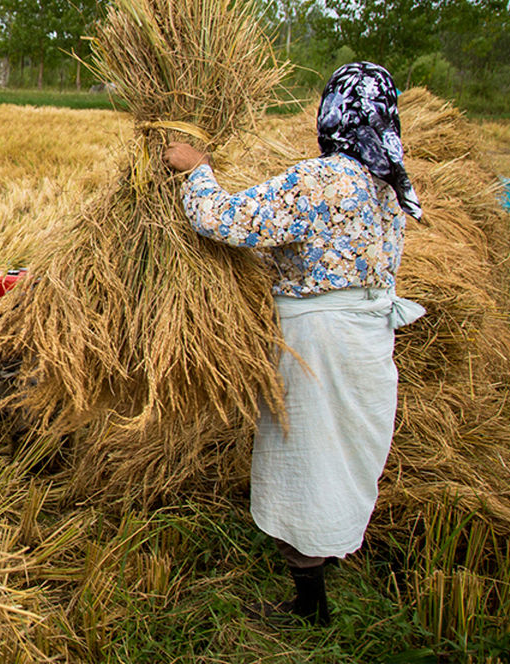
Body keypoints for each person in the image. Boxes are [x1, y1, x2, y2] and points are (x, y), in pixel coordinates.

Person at [163, 62, 425, 625]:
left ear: (333, 115)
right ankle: (320, 575)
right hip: (367, 341)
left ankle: (308, 605)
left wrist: (197, 170)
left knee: (307, 459)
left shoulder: (322, 179)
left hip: (318, 346)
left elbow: (225, 221)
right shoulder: (388, 186)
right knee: (341, 457)